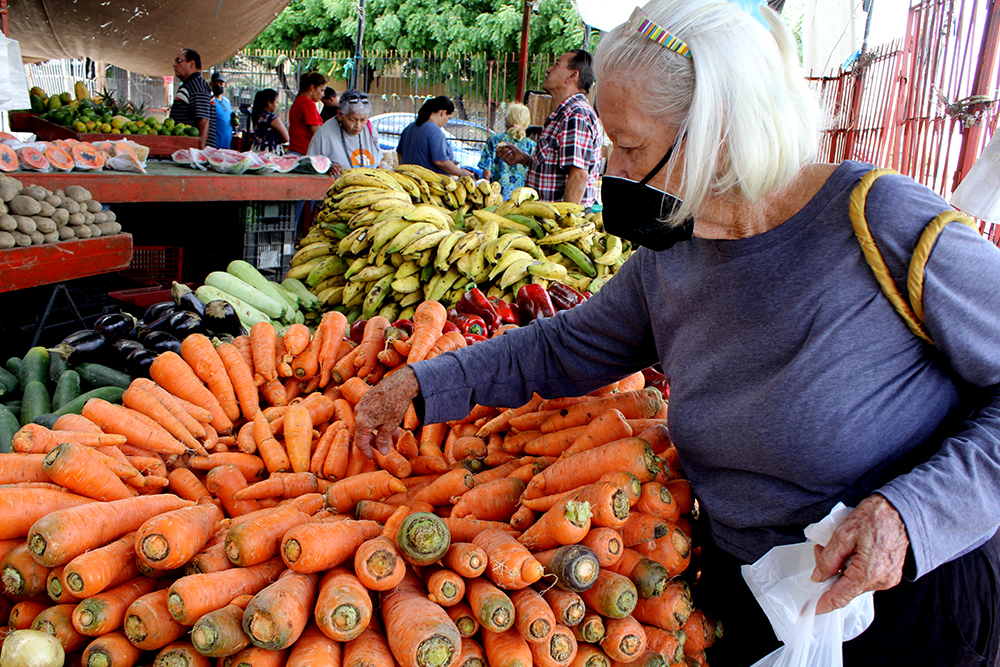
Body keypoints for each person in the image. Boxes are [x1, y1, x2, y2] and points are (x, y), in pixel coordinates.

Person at [351, 1, 1000, 666]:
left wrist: (908, 515)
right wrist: (421, 381)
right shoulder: (673, 253)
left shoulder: (883, 224)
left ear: (716, 131)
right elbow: (564, 345)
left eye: (629, 147)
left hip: (911, 608)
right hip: (749, 599)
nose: (614, 173)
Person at [497, 49, 602, 206]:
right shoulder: (563, 113)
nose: (548, 69)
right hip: (545, 217)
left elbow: (579, 175)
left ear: (573, 76)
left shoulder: (576, 114)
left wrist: (565, 224)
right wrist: (526, 159)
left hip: (557, 221)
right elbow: (556, 169)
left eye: (557, 65)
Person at [307, 90, 387, 176]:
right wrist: (328, 167)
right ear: (340, 114)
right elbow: (309, 166)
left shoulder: (370, 128)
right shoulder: (323, 134)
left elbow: (379, 163)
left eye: (363, 119)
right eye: (352, 120)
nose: (358, 126)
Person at [398, 96, 473, 178]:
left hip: (410, 180)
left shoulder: (409, 127)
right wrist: (460, 172)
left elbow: (400, 153)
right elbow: (440, 161)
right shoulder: (434, 130)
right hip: (431, 184)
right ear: (443, 113)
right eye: (448, 118)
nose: (446, 122)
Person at [477, 103, 536, 199]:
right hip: (521, 200)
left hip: (496, 198)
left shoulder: (494, 140)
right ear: (527, 123)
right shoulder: (532, 146)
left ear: (506, 120)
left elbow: (487, 174)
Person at [170, 48, 215, 149]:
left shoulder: (197, 85)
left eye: (178, 61)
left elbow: (204, 119)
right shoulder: (191, 84)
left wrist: (200, 152)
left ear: (191, 64)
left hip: (192, 152)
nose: (174, 65)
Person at [287, 71, 326, 156]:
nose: (323, 94)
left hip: (295, 150)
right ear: (312, 88)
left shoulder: (299, 100)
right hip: (303, 152)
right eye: (321, 90)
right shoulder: (308, 103)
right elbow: (317, 132)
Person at [250, 89, 288, 154]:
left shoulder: (257, 115)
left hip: (257, 151)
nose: (277, 105)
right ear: (269, 103)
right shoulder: (272, 118)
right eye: (276, 102)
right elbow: (286, 138)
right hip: (270, 152)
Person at [210, 72, 233, 150]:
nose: (218, 86)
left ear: (225, 85)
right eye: (216, 83)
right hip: (214, 145)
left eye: (221, 84)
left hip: (227, 144)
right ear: (211, 85)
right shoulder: (209, 101)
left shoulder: (227, 101)